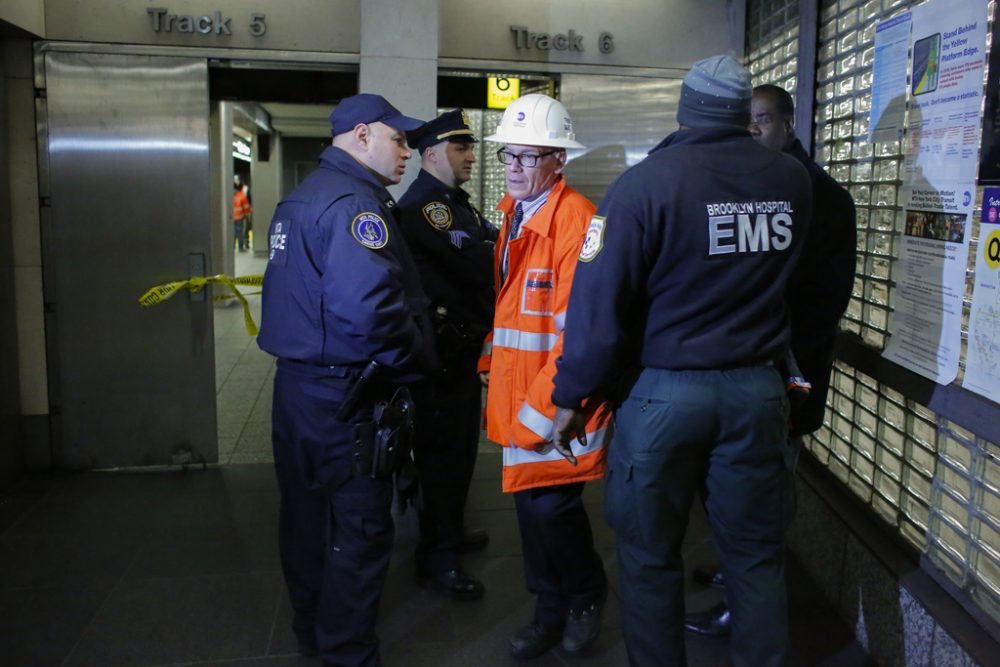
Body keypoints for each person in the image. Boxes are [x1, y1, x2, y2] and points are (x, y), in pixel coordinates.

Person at [551, 56, 814, 667]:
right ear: (740, 110)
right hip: (756, 391)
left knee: (647, 559)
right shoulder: (792, 182)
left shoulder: (645, 185)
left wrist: (572, 395)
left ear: (685, 108)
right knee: (755, 559)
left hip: (663, 395)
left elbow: (599, 305)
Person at [256, 93, 433, 667]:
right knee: (357, 529)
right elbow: (373, 312)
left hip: (298, 391)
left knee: (306, 523)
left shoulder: (301, 198)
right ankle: (348, 653)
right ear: (362, 136)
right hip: (347, 397)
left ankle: (313, 633)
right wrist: (416, 360)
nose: (407, 151)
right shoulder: (356, 206)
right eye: (398, 138)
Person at [684, 82, 858, 638]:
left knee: (763, 498)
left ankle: (749, 600)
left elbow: (822, 300)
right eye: (748, 120)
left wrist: (768, 352)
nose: (754, 129)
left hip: (788, 376)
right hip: (750, 377)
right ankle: (740, 578)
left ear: (788, 124)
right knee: (735, 492)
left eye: (763, 119)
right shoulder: (760, 186)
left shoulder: (821, 196)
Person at [479, 93, 611, 660]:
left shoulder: (575, 220)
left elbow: (576, 333)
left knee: (553, 512)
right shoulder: (515, 213)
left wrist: (545, 410)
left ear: (560, 160)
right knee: (532, 515)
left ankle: (584, 598)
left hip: (561, 404)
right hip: (526, 395)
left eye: (527, 157)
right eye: (507, 155)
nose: (512, 167)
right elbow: (511, 312)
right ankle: (548, 608)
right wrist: (491, 365)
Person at [397, 109, 496, 600]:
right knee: (440, 458)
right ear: (431, 152)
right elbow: (480, 261)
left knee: (458, 454)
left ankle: (450, 534)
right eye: (460, 149)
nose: (470, 157)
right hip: (438, 356)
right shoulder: (425, 208)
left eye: (471, 148)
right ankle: (436, 559)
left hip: (459, 351)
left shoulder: (455, 203)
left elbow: (487, 244)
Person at [233, 180, 252, 251]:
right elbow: (246, 208)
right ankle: (240, 248)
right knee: (240, 233)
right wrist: (248, 217)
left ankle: (232, 246)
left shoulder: (226, 195)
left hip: (229, 218)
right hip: (239, 217)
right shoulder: (241, 195)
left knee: (231, 233)